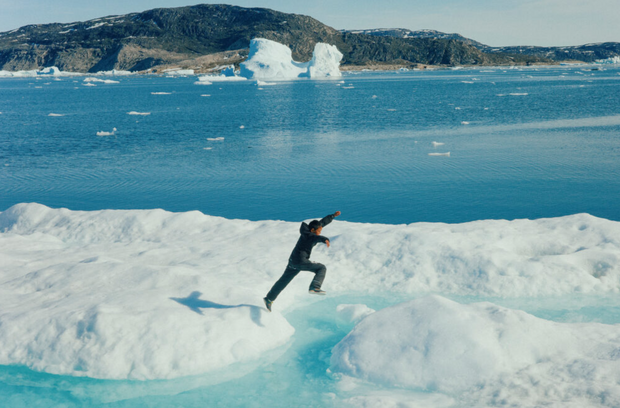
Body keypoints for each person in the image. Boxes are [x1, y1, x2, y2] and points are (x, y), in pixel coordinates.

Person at [263, 211, 341, 312]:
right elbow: (317, 237)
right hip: (300, 261)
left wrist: (332, 216)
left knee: (283, 281)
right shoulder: (310, 236)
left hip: (293, 262)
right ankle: (315, 287)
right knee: (321, 268)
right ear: (313, 230)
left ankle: (269, 298)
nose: (320, 232)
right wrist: (324, 239)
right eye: (319, 231)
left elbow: (321, 223)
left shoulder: (308, 231)